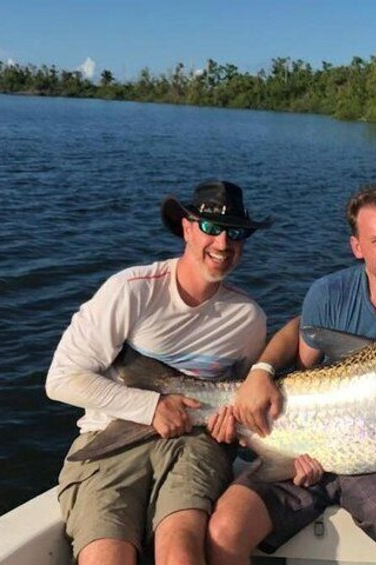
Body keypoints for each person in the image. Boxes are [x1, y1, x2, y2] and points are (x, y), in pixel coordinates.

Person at [207, 183, 376, 565]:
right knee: (224, 533)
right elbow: (301, 356)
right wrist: (261, 372)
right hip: (305, 449)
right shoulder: (328, 292)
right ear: (357, 247)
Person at [46, 180, 272, 565]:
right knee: (104, 557)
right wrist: (152, 407)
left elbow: (242, 402)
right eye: (211, 228)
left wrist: (231, 426)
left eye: (236, 233)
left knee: (181, 553)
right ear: (186, 228)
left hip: (194, 444)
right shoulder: (130, 291)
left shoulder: (248, 319)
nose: (223, 244)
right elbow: (61, 378)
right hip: (110, 437)